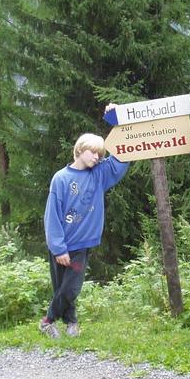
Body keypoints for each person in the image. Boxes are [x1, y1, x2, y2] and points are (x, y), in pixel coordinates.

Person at [39, 107, 129, 339]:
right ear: (79, 150)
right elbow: (52, 215)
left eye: (100, 154)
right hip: (61, 244)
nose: (97, 157)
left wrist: (116, 122)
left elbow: (121, 157)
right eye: (93, 153)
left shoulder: (98, 175)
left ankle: (48, 321)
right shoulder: (61, 178)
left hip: (81, 244)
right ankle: (71, 323)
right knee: (62, 288)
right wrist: (58, 248)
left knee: (71, 287)